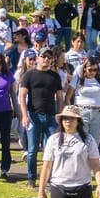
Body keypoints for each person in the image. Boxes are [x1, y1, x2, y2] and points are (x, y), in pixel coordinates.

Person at [19, 48, 65, 188]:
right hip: (34, 116)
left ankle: (51, 179)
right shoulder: (29, 75)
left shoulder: (55, 76)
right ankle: (31, 178)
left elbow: (59, 97)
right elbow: (22, 96)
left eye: (49, 57)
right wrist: (25, 115)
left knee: (51, 149)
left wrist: (61, 115)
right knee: (32, 150)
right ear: (38, 58)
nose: (46, 59)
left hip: (51, 116)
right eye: (43, 56)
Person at [73, 57, 100, 159]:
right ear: (84, 68)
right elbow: (68, 96)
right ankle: (80, 168)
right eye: (90, 70)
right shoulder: (78, 78)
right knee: (81, 142)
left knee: (94, 144)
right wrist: (73, 111)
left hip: (98, 112)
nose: (93, 72)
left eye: (95, 70)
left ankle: (89, 170)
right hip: (81, 111)